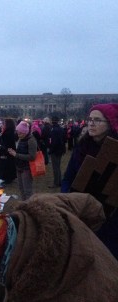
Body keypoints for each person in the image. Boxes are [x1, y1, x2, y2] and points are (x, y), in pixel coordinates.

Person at [61, 104, 118, 258]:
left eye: (97, 120)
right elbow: (68, 177)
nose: (91, 123)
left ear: (110, 123)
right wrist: (68, 197)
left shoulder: (115, 149)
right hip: (82, 209)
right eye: (90, 119)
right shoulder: (82, 147)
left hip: (111, 216)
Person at [8, 121, 38, 201]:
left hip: (26, 169)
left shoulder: (31, 140)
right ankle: (24, 205)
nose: (18, 135)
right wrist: (13, 152)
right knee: (21, 189)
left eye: (20, 133)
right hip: (19, 167)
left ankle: (29, 207)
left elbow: (32, 157)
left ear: (25, 132)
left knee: (27, 190)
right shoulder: (22, 139)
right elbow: (20, 152)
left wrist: (16, 155)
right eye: (17, 133)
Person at [0, 119, 17, 185]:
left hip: (7, 152)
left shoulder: (7, 133)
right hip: (9, 152)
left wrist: (0, 147)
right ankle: (9, 177)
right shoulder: (10, 132)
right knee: (9, 165)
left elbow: (6, 144)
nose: (3, 125)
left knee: (7, 166)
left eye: (4, 124)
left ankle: (8, 178)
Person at [47, 117, 67, 189]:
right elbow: (65, 139)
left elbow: (54, 142)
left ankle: (56, 183)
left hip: (55, 151)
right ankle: (59, 181)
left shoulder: (53, 130)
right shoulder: (61, 129)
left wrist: (50, 150)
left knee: (55, 167)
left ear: (52, 122)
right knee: (58, 166)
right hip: (60, 150)